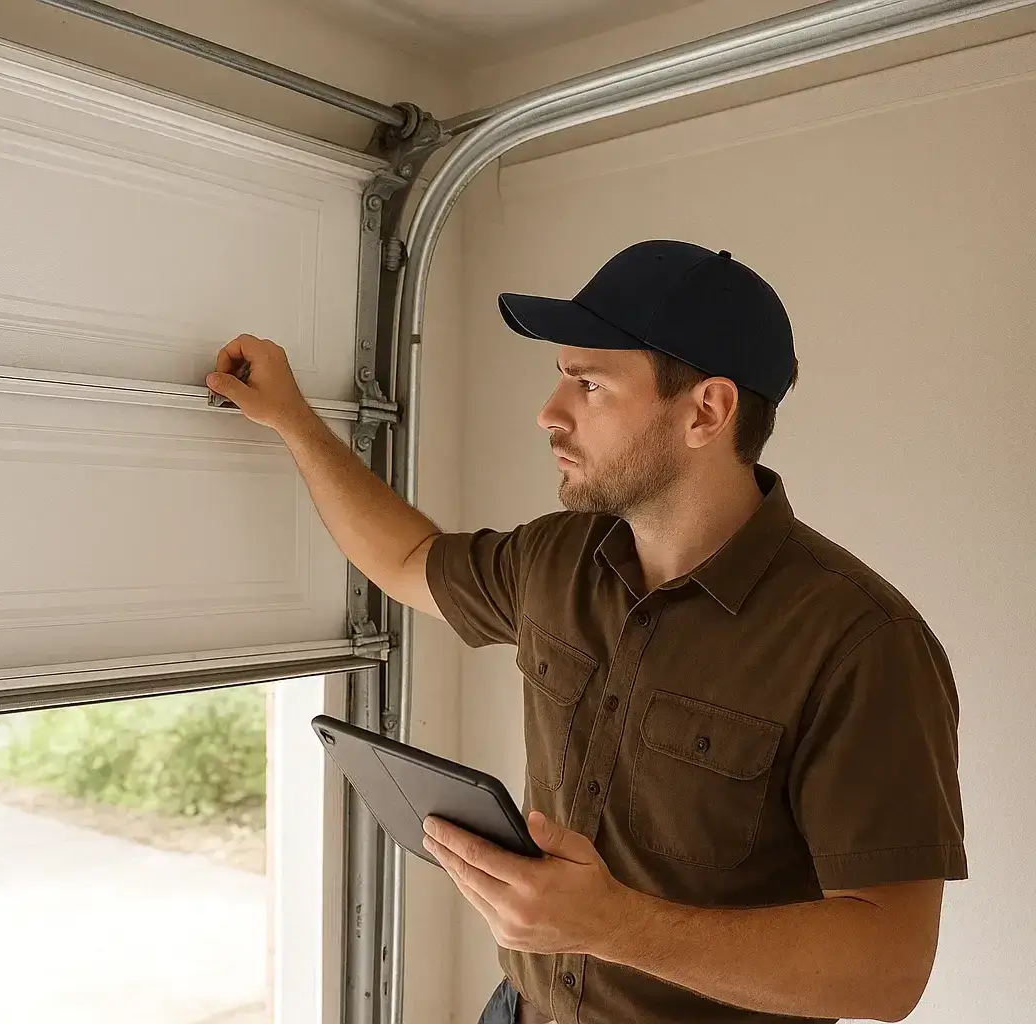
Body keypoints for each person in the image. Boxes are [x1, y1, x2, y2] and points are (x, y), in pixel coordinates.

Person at [205, 239, 966, 1024]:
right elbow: (406, 558)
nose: (549, 412)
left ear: (706, 411)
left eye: (590, 384)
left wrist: (615, 927)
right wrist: (294, 421)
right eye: (561, 377)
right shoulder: (557, 558)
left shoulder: (862, 644)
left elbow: (888, 970)